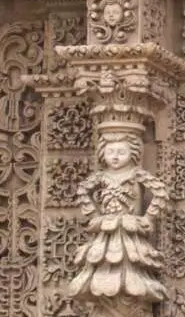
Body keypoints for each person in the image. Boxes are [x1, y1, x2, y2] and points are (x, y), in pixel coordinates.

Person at [68, 126, 169, 302]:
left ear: (133, 153)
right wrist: (94, 216)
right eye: (110, 152)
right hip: (106, 229)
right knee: (101, 264)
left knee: (131, 266)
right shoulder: (102, 176)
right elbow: (82, 191)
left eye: (121, 152)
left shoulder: (136, 174)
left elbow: (160, 192)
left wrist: (148, 217)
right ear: (102, 154)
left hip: (130, 228)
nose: (115, 157)